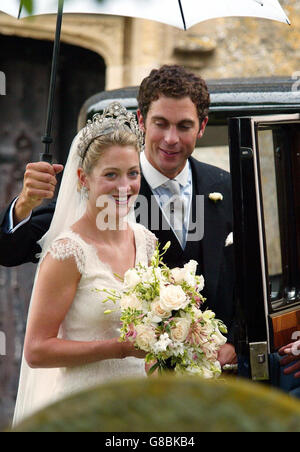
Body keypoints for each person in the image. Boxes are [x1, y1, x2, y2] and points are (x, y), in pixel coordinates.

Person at [0, 65, 236, 368]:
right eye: (160, 123)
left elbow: (245, 276)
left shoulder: (224, 186)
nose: (171, 138)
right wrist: (25, 203)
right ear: (141, 120)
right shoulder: (106, 190)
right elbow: (10, 250)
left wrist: (234, 340)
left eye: (184, 126)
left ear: (202, 126)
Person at [13, 102, 157, 425]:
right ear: (83, 178)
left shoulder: (146, 241)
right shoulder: (67, 252)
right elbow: (37, 350)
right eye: (111, 175)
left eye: (133, 173)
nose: (125, 187)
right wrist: (118, 348)